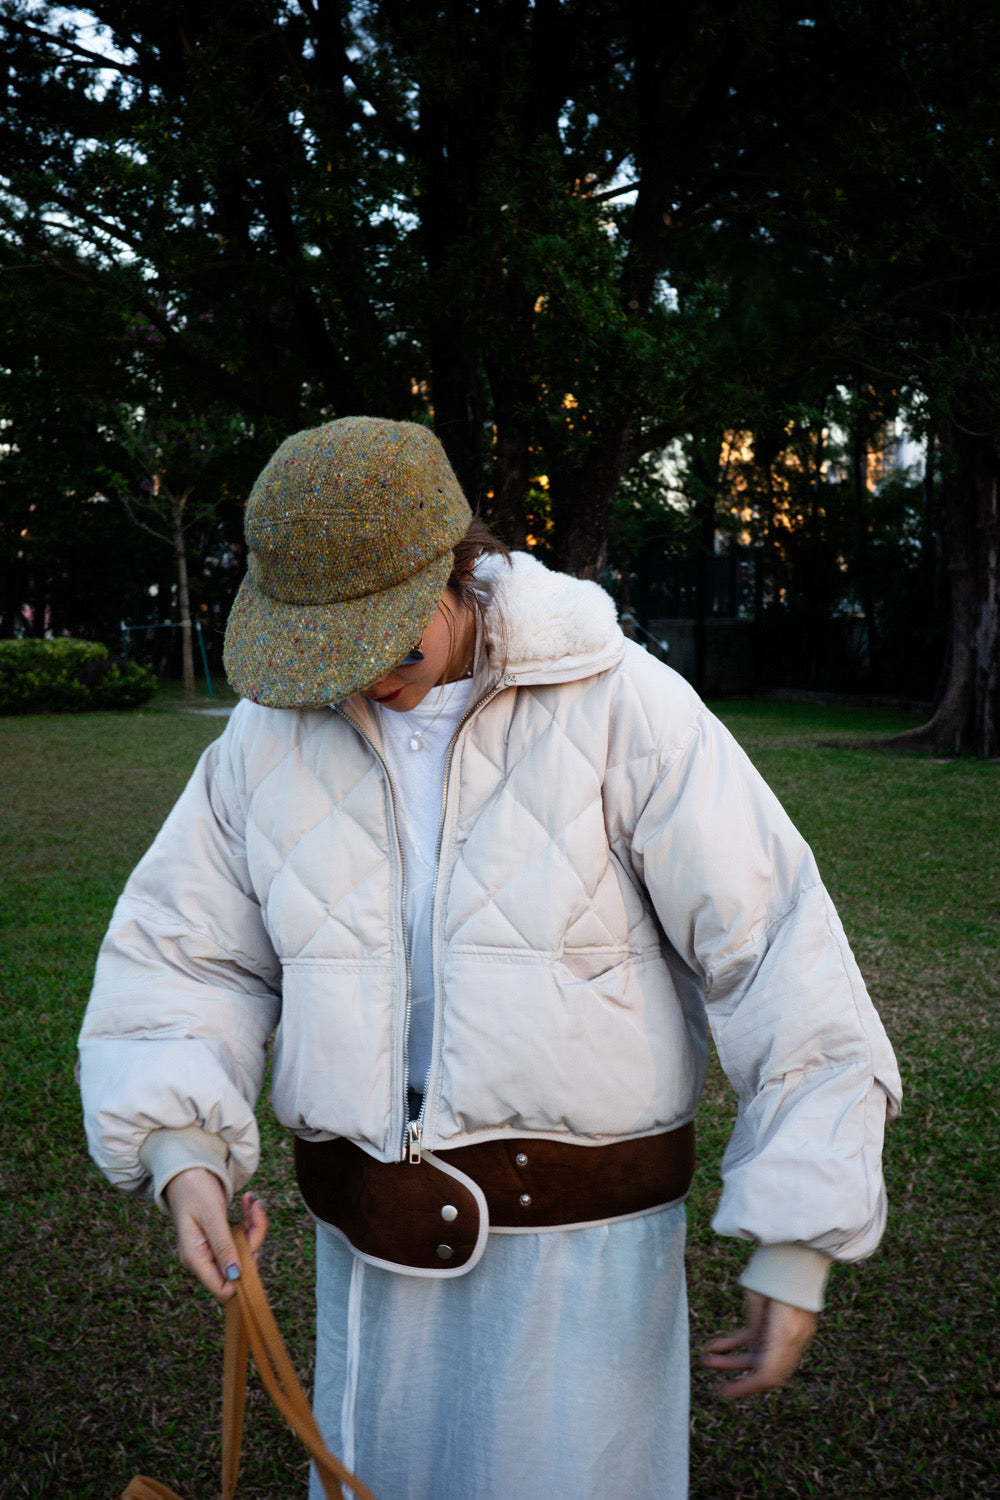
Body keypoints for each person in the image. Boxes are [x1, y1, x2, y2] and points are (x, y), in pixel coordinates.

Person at [79, 416, 901, 1500]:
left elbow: (777, 957)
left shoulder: (629, 708)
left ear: (453, 568)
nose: (362, 674)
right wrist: (181, 1141)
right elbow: (187, 958)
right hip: (365, 1254)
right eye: (330, 648)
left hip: (580, 1276)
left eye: (388, 637)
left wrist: (801, 1234)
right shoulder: (265, 736)